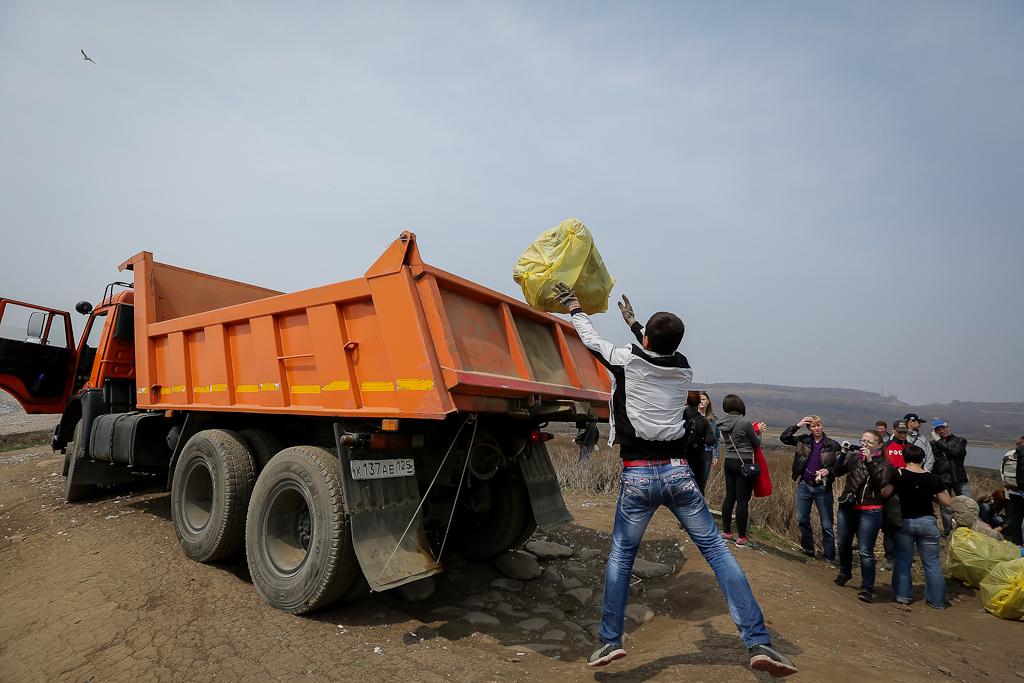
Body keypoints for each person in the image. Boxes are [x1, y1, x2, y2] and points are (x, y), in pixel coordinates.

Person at [553, 285, 796, 677]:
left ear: (646, 339)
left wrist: (573, 305)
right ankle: (759, 642)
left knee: (621, 557)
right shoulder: (683, 368)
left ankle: (610, 642)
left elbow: (591, 339)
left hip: (637, 476)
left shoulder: (626, 361)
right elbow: (655, 350)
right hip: (680, 472)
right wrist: (634, 323)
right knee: (718, 552)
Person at [833, 430, 896, 603]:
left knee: (865, 551)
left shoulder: (885, 465)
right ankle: (845, 572)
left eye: (869, 442)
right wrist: (843, 454)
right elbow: (837, 471)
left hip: (870, 510)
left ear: (879, 445)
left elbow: (880, 483)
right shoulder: (853, 458)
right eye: (863, 441)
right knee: (842, 543)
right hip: (848, 507)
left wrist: (869, 461)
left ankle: (867, 588)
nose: (864, 445)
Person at [889, 444, 951, 610]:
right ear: (923, 459)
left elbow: (885, 493)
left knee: (903, 560)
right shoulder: (933, 478)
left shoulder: (898, 474)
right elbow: (947, 502)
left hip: (905, 522)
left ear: (904, 458)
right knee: (932, 564)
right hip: (928, 522)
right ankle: (937, 601)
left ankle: (903, 596)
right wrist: (930, 497)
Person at [780, 416, 842, 563]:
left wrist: (829, 471)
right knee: (802, 519)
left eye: (819, 425)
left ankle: (829, 557)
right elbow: (784, 438)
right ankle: (808, 549)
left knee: (827, 525)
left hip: (823, 488)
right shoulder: (803, 441)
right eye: (813, 426)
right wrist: (798, 424)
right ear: (809, 428)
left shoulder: (833, 445)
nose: (817, 428)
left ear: (822, 426)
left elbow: (841, 467)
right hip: (804, 485)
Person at [717, 394, 765, 549]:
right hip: (744, 463)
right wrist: (760, 431)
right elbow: (756, 442)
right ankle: (742, 538)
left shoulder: (721, 423)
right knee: (743, 500)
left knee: (729, 496)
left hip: (728, 460)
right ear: (740, 407)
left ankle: (726, 532)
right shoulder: (744, 423)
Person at [880, 419, 912, 569]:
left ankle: (904, 555)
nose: (903, 435)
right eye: (900, 432)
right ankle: (890, 556)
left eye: (905, 432)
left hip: (908, 490)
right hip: (891, 489)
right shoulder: (886, 446)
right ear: (893, 430)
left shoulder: (911, 447)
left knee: (907, 524)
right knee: (890, 524)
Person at [930, 419, 970, 537]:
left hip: (959, 477)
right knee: (945, 507)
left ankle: (969, 529)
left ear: (948, 427)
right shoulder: (932, 445)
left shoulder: (960, 441)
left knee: (968, 503)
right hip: (942, 478)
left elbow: (955, 452)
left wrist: (938, 441)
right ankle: (948, 532)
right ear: (935, 431)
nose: (942, 431)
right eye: (938, 430)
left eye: (943, 428)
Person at [682, 390, 717, 494]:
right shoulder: (703, 420)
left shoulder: (679, 416)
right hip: (698, 457)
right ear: (698, 403)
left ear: (686, 402)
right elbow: (711, 440)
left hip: (680, 455)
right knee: (698, 485)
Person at [698, 391, 721, 494]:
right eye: (699, 400)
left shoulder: (713, 418)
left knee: (703, 481)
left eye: (703, 399)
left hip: (707, 452)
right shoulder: (691, 415)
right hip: (694, 452)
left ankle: (701, 505)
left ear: (708, 401)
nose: (701, 402)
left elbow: (717, 437)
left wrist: (716, 455)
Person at [1004, 437, 1024, 546]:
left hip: (1012, 490)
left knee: (1016, 515)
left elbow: (1003, 472)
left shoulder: (1008, 455)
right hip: (1022, 489)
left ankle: (1017, 542)